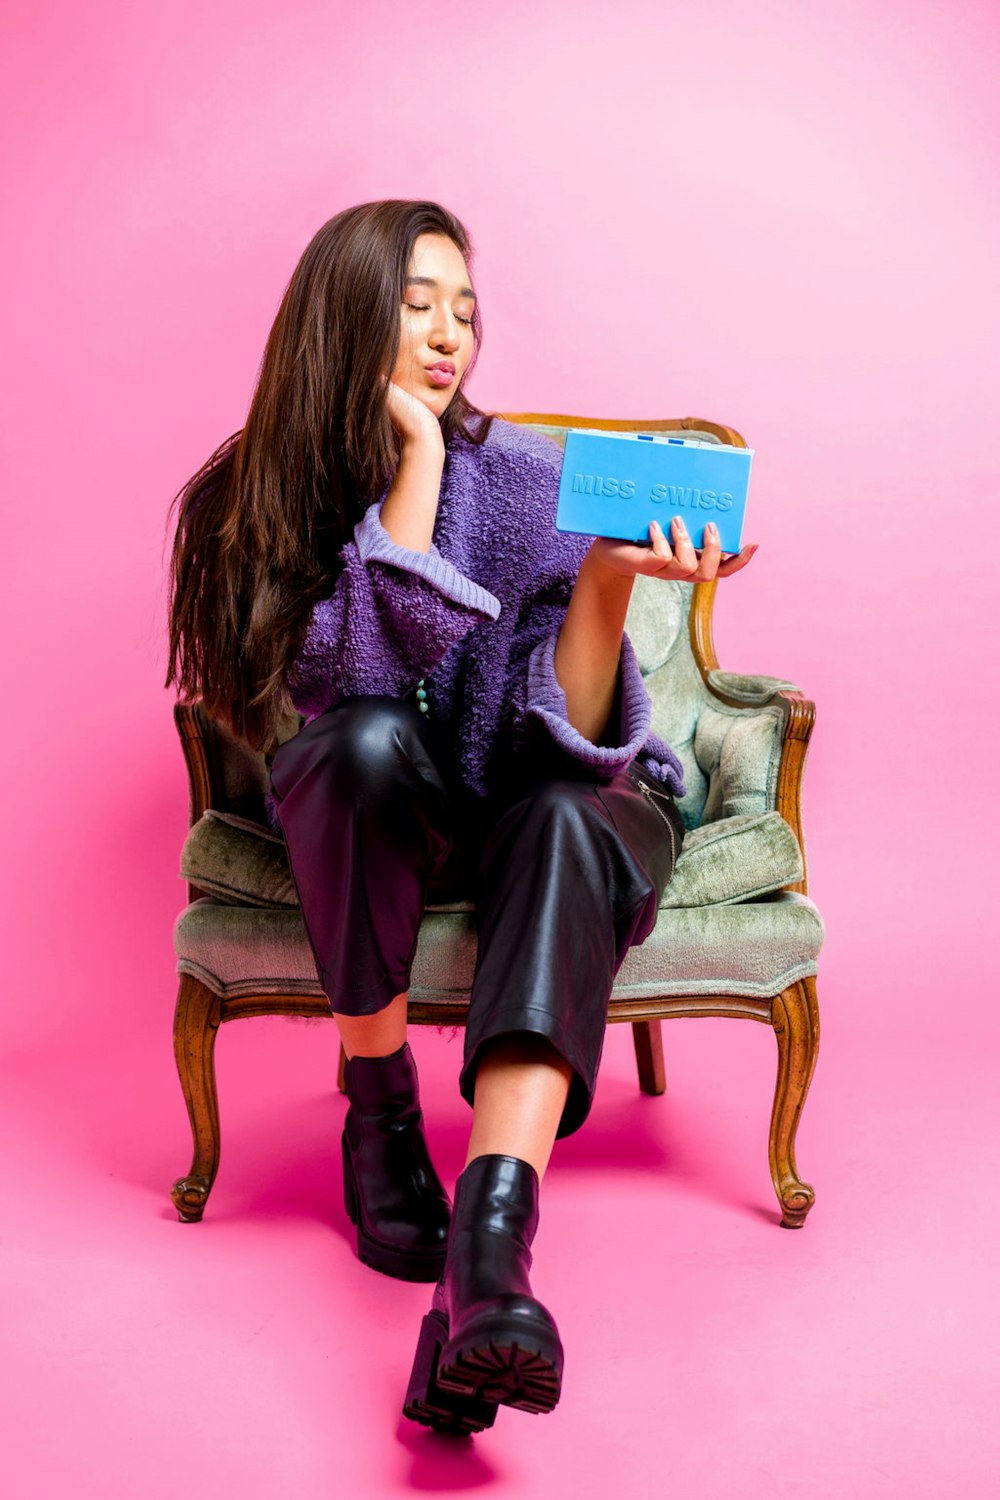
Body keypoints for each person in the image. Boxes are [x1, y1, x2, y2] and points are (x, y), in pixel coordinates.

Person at [165, 198, 757, 1436]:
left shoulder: (529, 484)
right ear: (344, 317)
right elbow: (355, 704)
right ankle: (379, 1117)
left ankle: (488, 1264)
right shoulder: (249, 504)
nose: (450, 336)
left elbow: (575, 738)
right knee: (364, 744)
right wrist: (418, 476)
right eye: (418, 304)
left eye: (465, 309)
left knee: (565, 817)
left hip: (560, 802)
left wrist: (603, 580)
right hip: (399, 803)